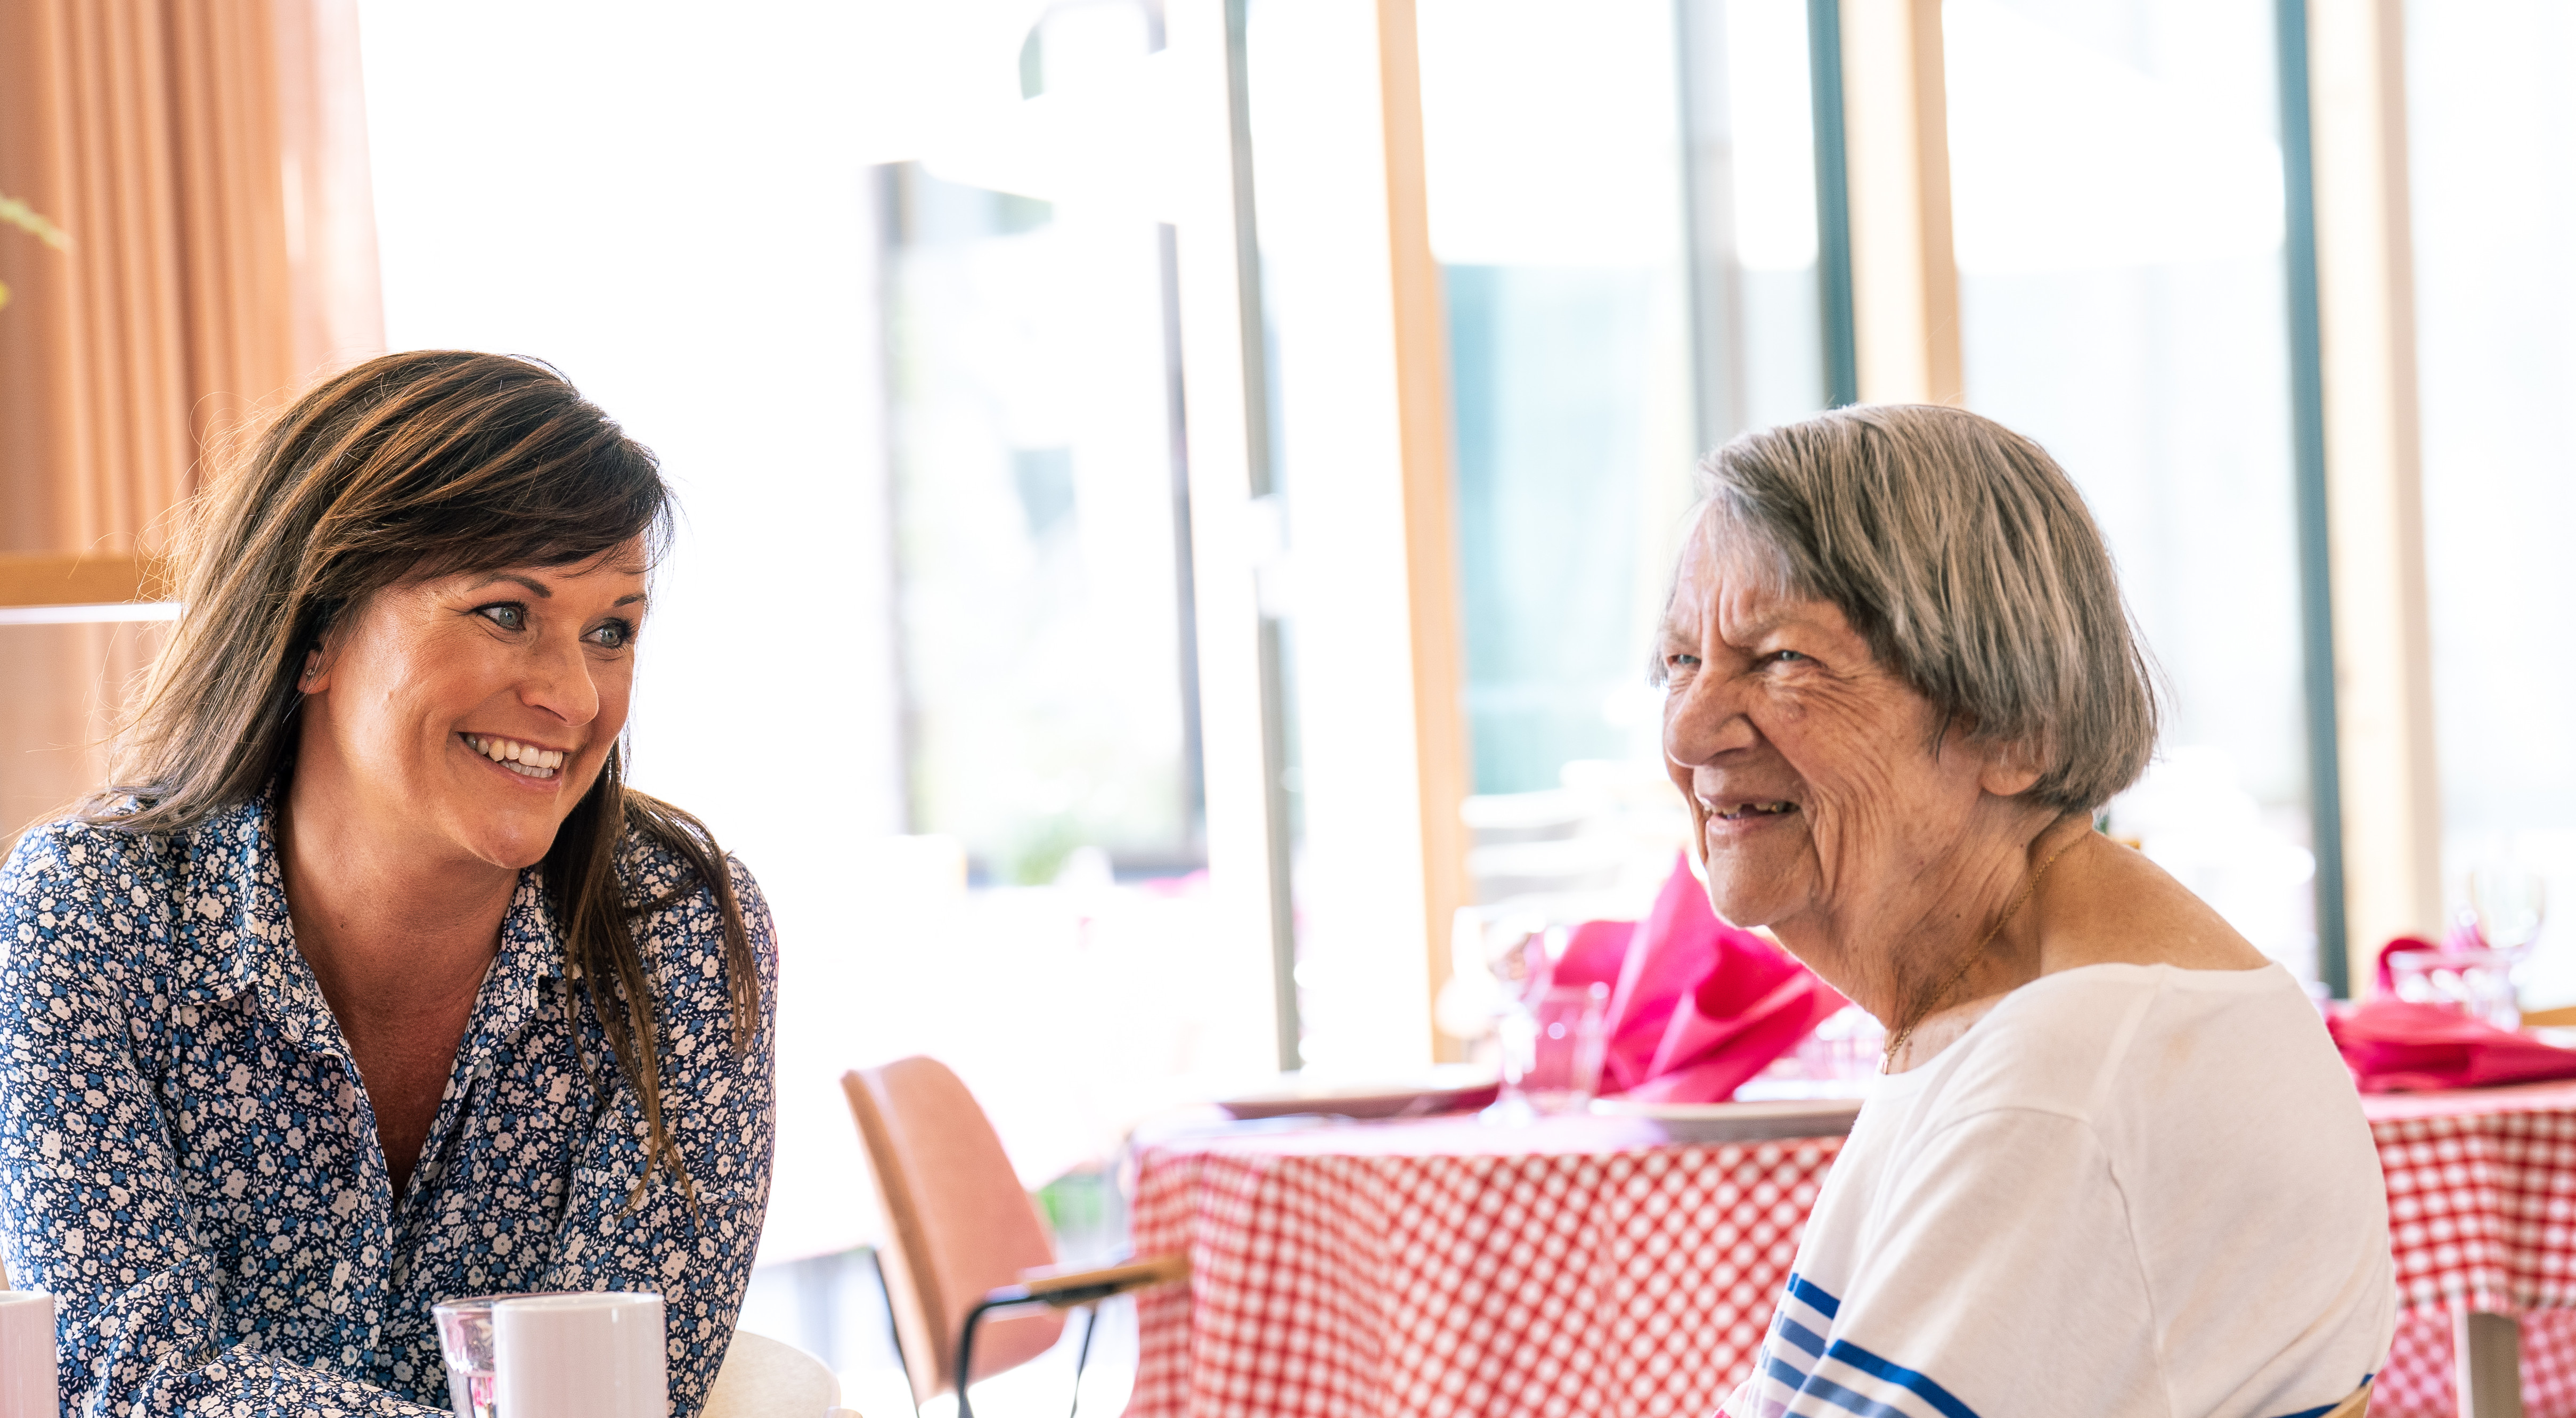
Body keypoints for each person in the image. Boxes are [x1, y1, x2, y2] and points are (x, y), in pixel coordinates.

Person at [0, 352, 777, 1417]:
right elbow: (126, 1375)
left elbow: (628, 1386)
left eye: (613, 630)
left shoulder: (675, 926)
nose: (571, 693)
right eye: (507, 611)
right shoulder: (88, 912)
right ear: (316, 630)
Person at [1662, 405, 2391, 1417]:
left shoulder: (2065, 1077)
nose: (1691, 729)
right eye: (1681, 662)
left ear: (2013, 728)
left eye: (1782, 658)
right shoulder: (2030, 1014)